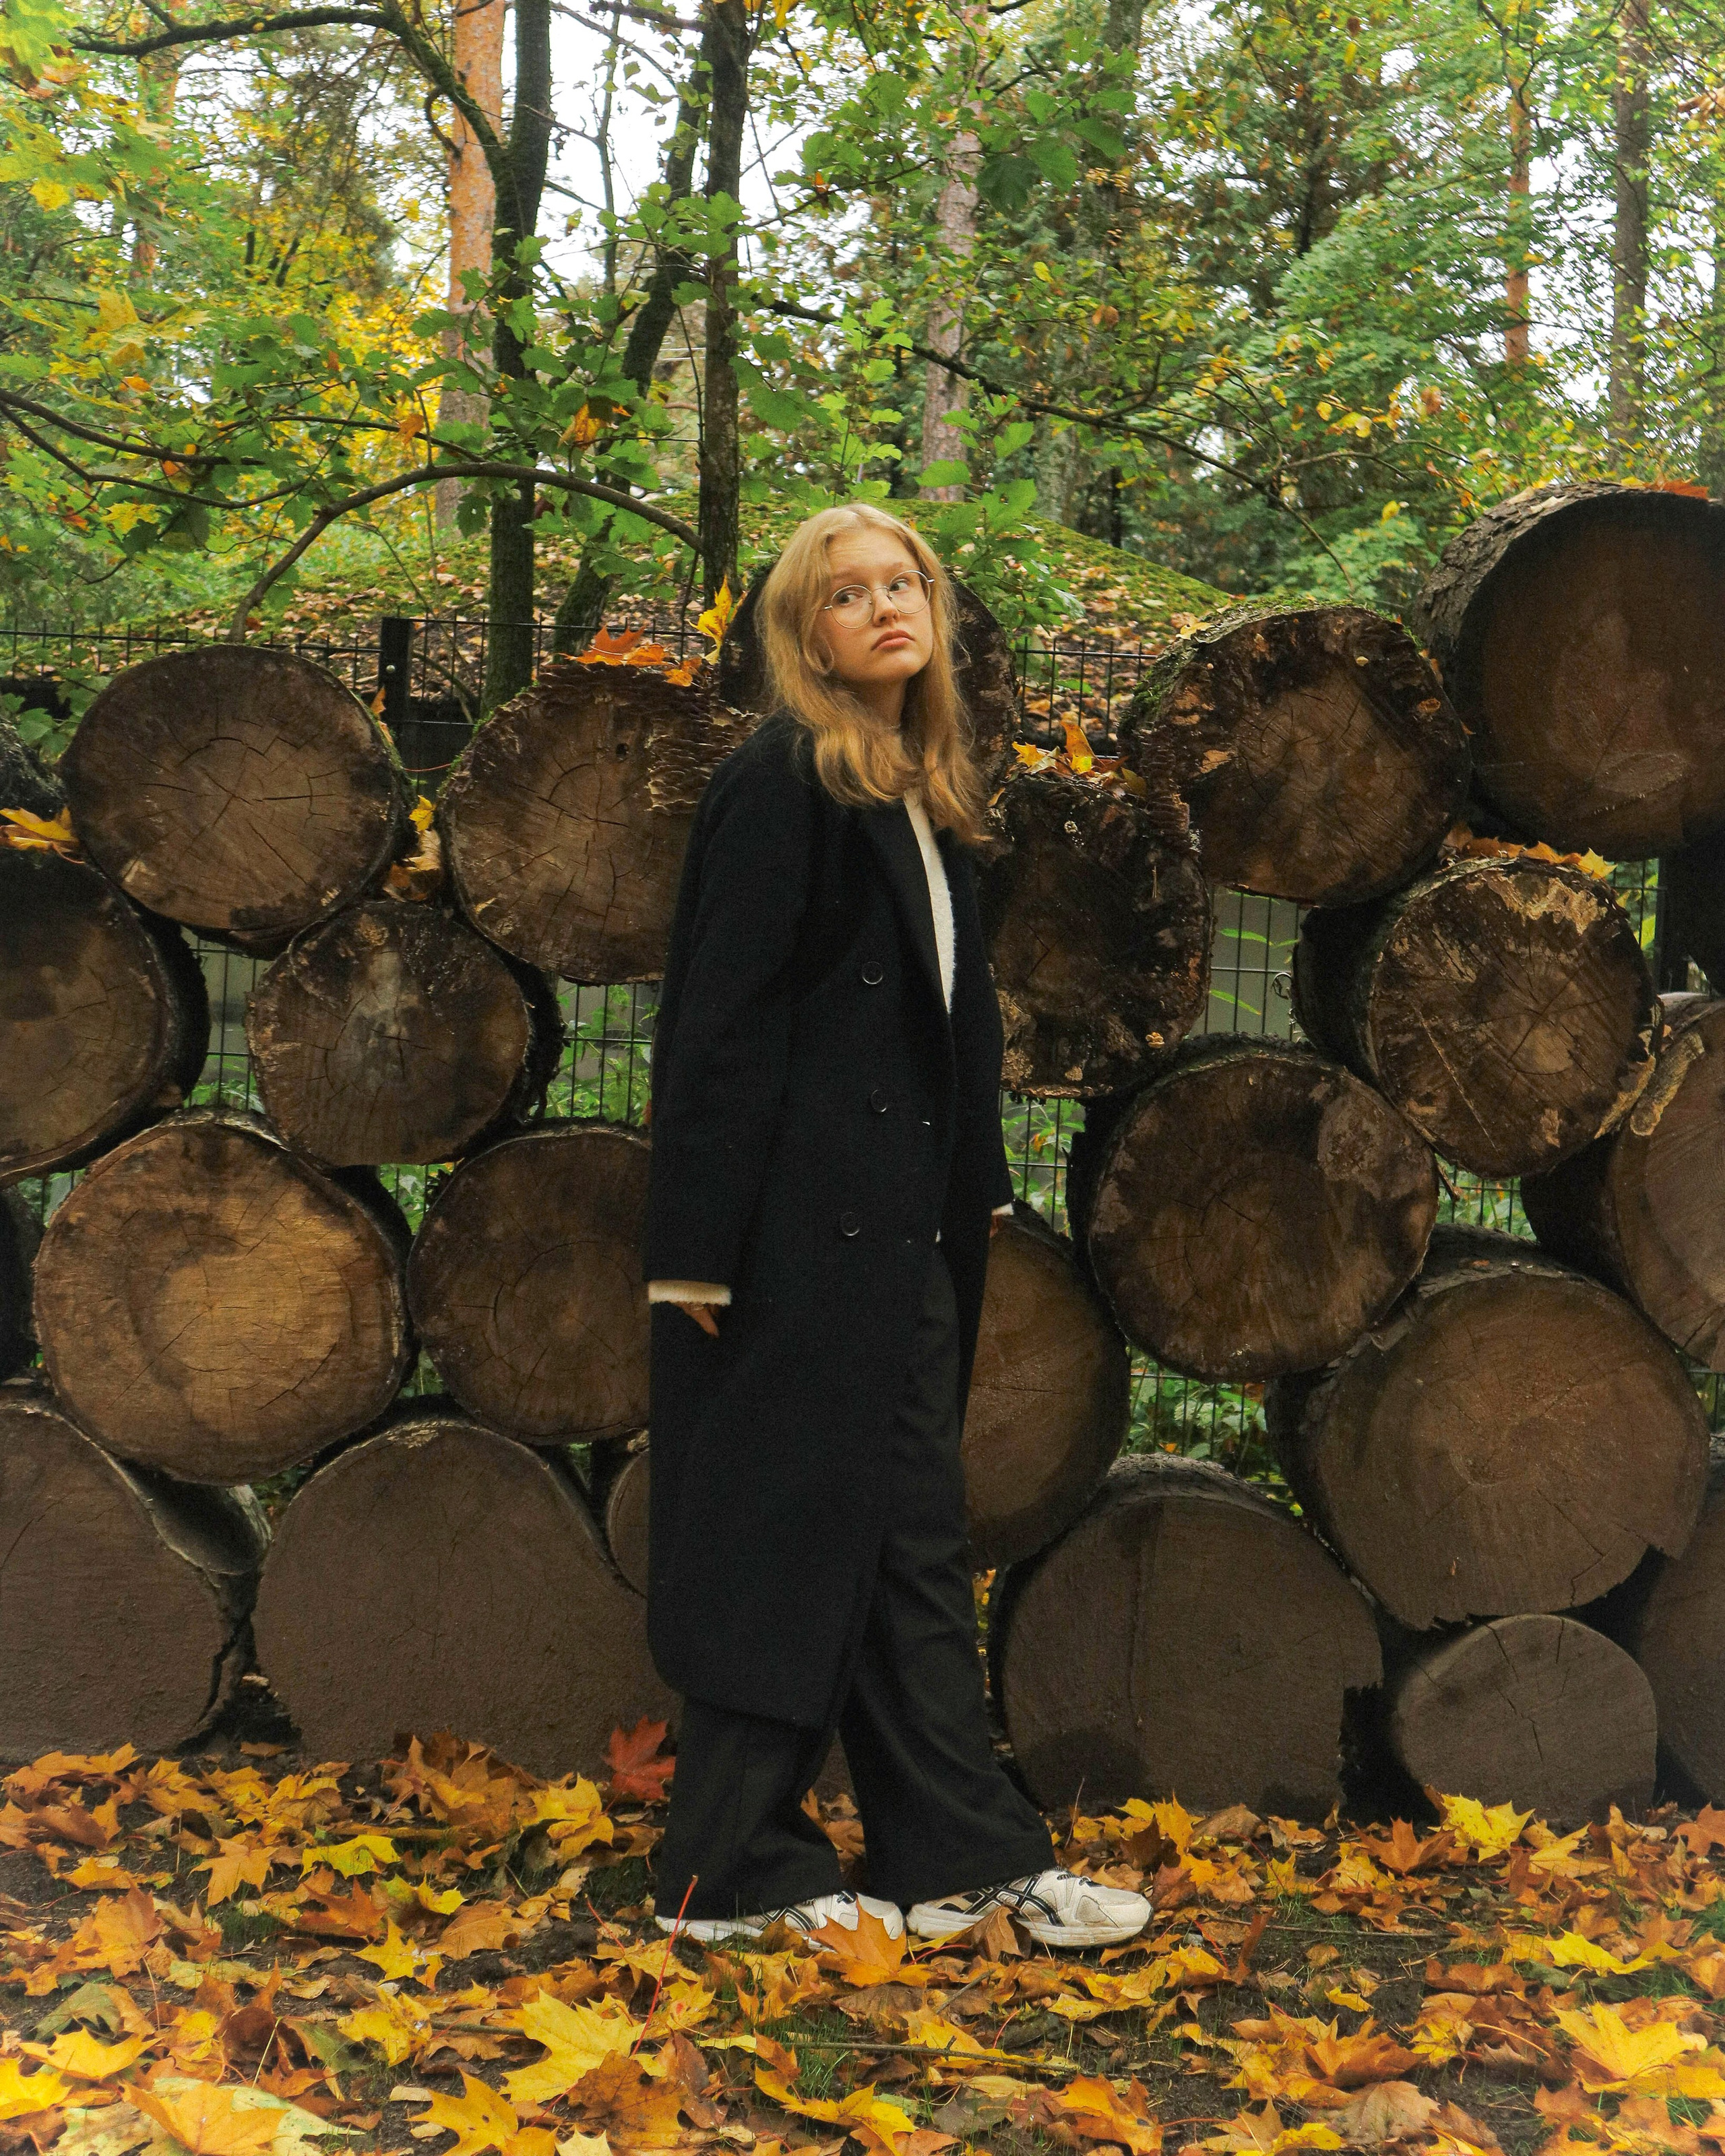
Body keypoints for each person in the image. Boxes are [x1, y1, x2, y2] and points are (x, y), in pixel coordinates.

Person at [640, 501, 1150, 1953]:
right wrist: (691, 1248)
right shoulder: (781, 782)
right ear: (805, 634)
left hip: (898, 1238)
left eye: (902, 581)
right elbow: (717, 1030)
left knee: (901, 1542)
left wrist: (970, 1184)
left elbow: (943, 1027)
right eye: (847, 593)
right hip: (793, 1248)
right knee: (787, 1536)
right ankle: (726, 1872)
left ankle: (955, 1861)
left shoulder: (918, 789)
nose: (882, 607)